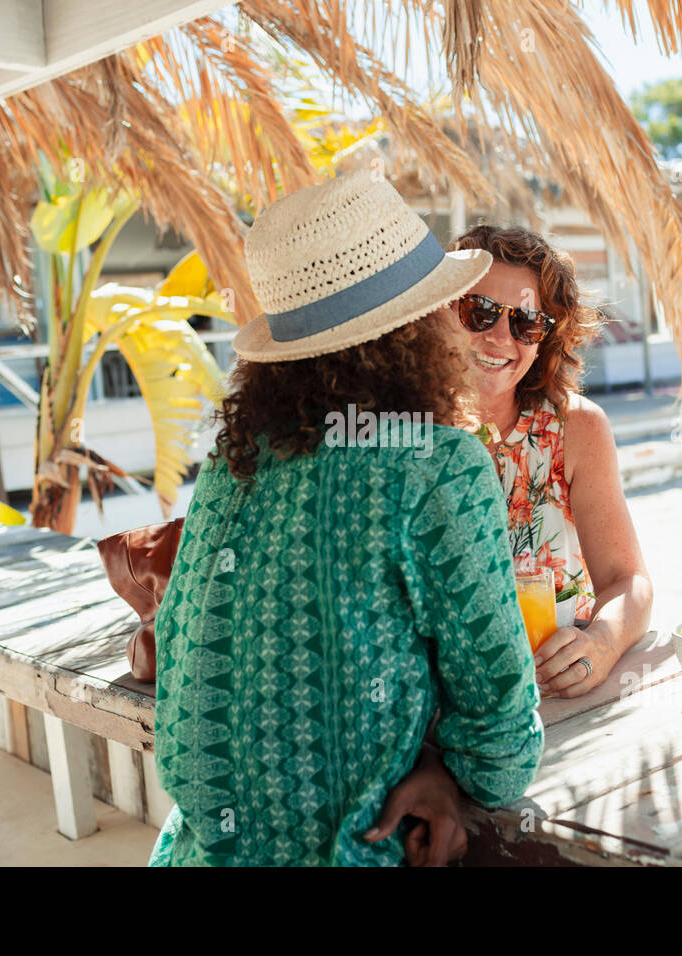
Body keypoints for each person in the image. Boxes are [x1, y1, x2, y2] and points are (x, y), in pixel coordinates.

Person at [148, 170, 543, 867]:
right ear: (417, 328)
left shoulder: (229, 468)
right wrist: (455, 774)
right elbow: (502, 736)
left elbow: (182, 668)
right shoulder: (433, 465)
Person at [445, 226, 654, 698]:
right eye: (479, 313)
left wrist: (603, 641)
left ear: (545, 340)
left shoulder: (576, 428)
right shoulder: (404, 436)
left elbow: (630, 582)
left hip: (558, 693)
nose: (501, 337)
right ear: (441, 315)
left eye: (526, 323)